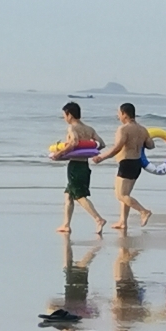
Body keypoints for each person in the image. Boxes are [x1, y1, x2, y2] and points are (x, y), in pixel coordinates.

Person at [93, 102, 154, 231]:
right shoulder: (143, 129)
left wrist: (101, 157)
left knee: (120, 195)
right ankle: (123, 222)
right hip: (137, 164)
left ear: (124, 114)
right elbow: (150, 145)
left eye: (118, 113)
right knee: (126, 194)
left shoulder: (123, 129)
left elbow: (117, 148)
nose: (118, 116)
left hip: (126, 163)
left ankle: (143, 211)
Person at [55, 100, 106, 236]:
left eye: (65, 115)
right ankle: (66, 224)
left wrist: (59, 154)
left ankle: (98, 219)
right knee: (68, 195)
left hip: (75, 166)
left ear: (70, 115)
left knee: (79, 196)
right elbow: (101, 144)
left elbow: (74, 142)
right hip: (84, 165)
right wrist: (88, 149)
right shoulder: (89, 129)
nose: (64, 118)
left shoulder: (72, 128)